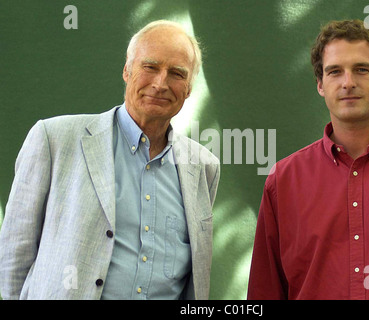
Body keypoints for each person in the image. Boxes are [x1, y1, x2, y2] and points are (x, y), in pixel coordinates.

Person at [0, 20, 220, 300]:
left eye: (177, 73)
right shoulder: (53, 139)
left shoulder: (204, 167)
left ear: (189, 88)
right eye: (150, 67)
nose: (161, 83)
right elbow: (14, 253)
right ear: (127, 71)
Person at [247, 19, 369, 299]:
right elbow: (264, 292)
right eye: (335, 72)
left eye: (361, 70)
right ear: (320, 85)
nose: (348, 82)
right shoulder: (284, 181)